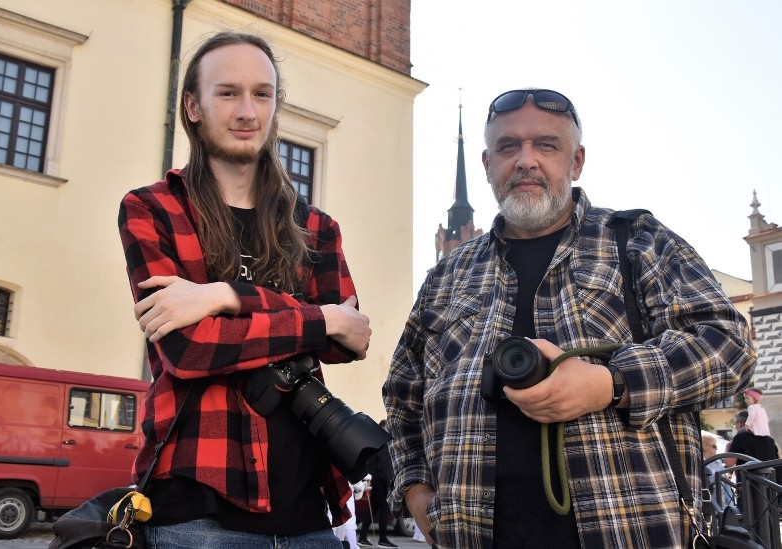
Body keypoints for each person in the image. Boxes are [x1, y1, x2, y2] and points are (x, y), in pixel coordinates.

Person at [383, 88, 756, 548]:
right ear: (486, 164)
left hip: (628, 533)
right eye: (508, 147)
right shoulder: (448, 275)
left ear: (576, 161)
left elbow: (730, 346)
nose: (525, 161)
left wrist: (611, 384)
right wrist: (417, 489)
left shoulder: (638, 243)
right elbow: (403, 391)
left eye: (546, 145)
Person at [118, 31, 371, 548]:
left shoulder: (316, 227)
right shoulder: (153, 210)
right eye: (227, 92)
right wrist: (316, 319)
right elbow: (189, 349)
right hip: (197, 510)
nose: (247, 111)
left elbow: (353, 339)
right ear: (192, 106)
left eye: (262, 93)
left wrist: (223, 297)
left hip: (309, 509)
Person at [358, 421, 397, 548]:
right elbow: (384, 466)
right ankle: (383, 539)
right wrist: (390, 482)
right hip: (381, 482)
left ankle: (363, 537)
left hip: (376, 480)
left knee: (373, 510)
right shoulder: (383, 443)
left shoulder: (375, 440)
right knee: (383, 511)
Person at [702, 433, 734, 509]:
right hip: (709, 507)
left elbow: (726, 485)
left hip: (723, 505)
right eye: (714, 446)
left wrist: (731, 505)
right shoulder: (700, 462)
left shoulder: (718, 461)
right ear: (705, 446)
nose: (716, 448)